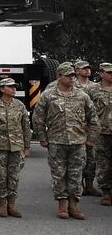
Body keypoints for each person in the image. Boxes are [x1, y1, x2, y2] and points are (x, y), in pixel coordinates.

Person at [33, 61, 99, 219]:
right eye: (68, 76)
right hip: (56, 142)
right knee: (59, 174)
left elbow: (93, 119)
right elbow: (38, 118)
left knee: (76, 175)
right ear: (59, 76)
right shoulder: (48, 95)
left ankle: (74, 205)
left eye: (73, 76)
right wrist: (42, 137)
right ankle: (62, 205)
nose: (72, 78)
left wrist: (91, 139)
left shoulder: (82, 96)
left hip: (78, 142)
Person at [0, 77, 31, 218]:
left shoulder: (20, 105)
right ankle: (2, 204)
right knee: (0, 177)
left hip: (16, 147)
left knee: (14, 177)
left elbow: (25, 127)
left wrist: (26, 147)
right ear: (2, 89)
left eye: (15, 86)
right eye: (10, 86)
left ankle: (12, 204)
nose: (14, 89)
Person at [73, 60, 102, 197]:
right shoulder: (73, 85)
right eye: (84, 68)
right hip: (76, 126)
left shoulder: (96, 86)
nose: (87, 70)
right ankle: (79, 185)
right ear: (77, 70)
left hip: (92, 126)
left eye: (89, 68)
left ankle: (90, 185)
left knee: (92, 158)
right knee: (78, 158)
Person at [89, 62, 112, 206]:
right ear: (101, 73)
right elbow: (86, 109)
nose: (111, 75)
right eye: (109, 72)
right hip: (101, 132)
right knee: (103, 164)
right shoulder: (93, 90)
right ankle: (106, 192)